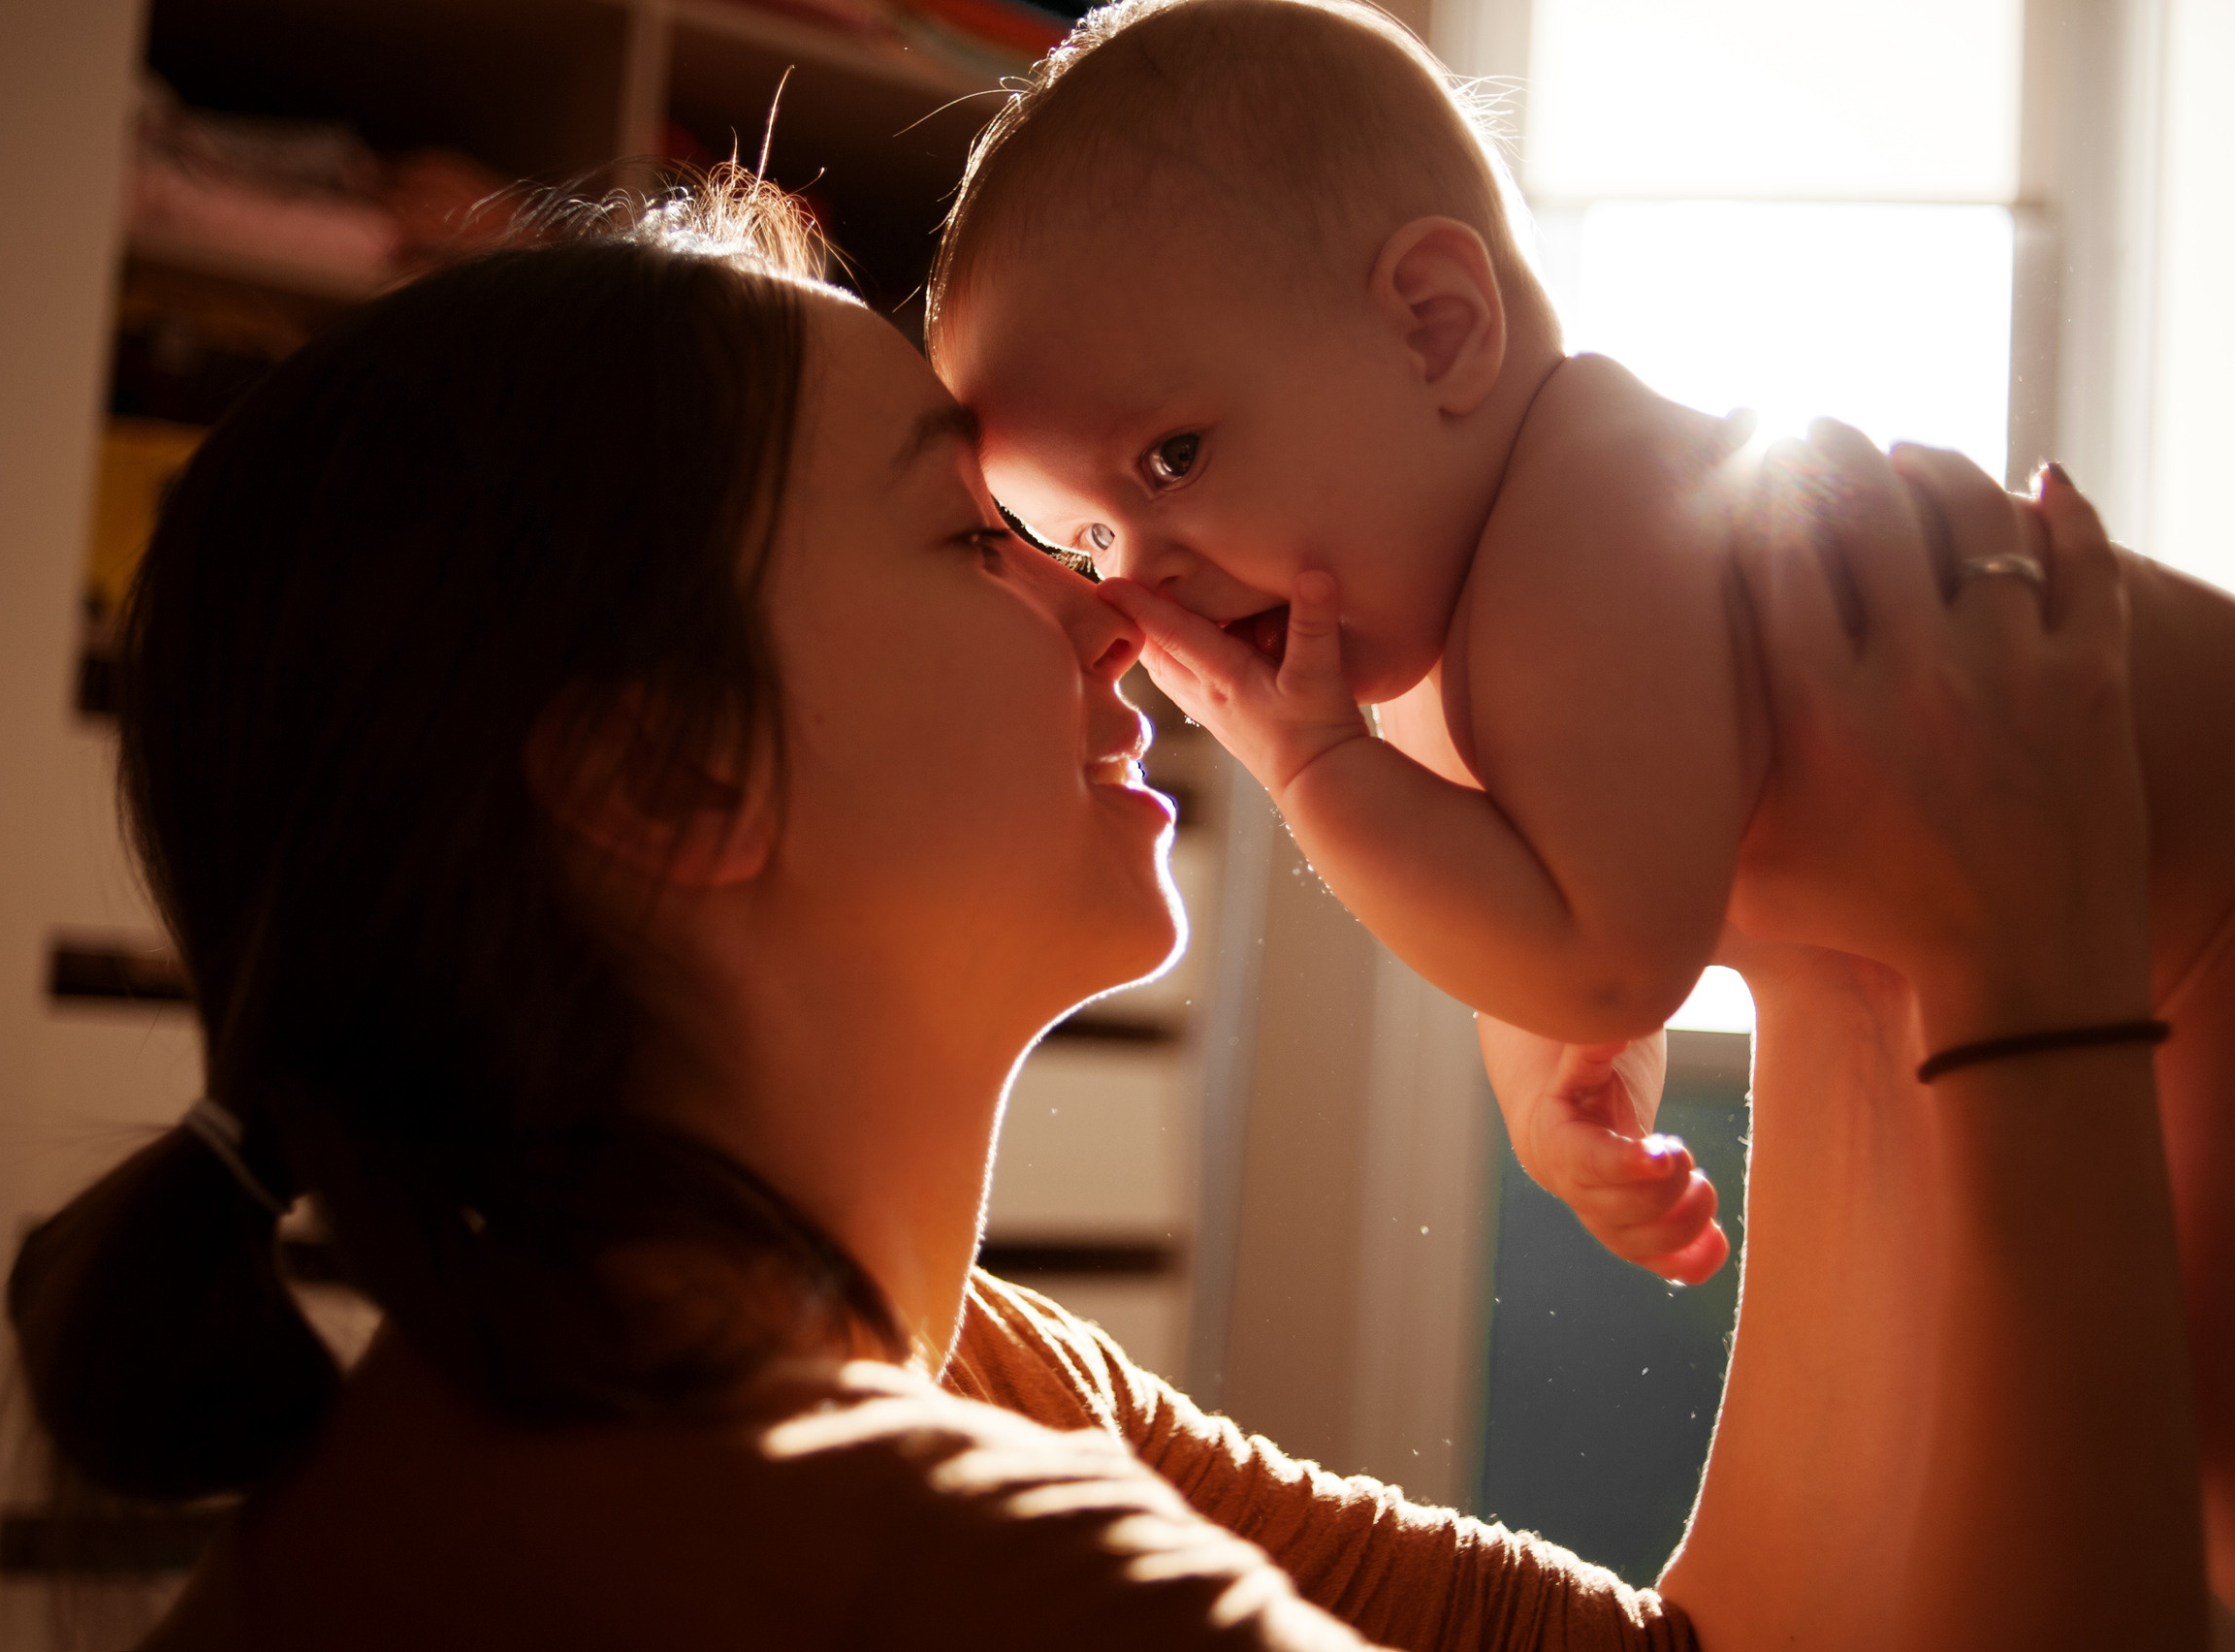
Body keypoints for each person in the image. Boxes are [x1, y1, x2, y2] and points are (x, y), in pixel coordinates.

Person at [4, 174, 2196, 1650]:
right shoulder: (923, 1569)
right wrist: (2026, 967)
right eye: (983, 544)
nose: (1117, 613)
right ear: (670, 772)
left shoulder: (938, 1373)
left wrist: (1841, 914)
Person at [924, 0, 2235, 1584]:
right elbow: (1547, 891)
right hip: (2114, 935)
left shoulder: (1589, 511)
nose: (1148, 584)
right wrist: (1547, 1068)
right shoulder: (1457, 627)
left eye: (1173, 461)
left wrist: (1320, 771)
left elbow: (1612, 948)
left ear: (1434, 327)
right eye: (1082, 543)